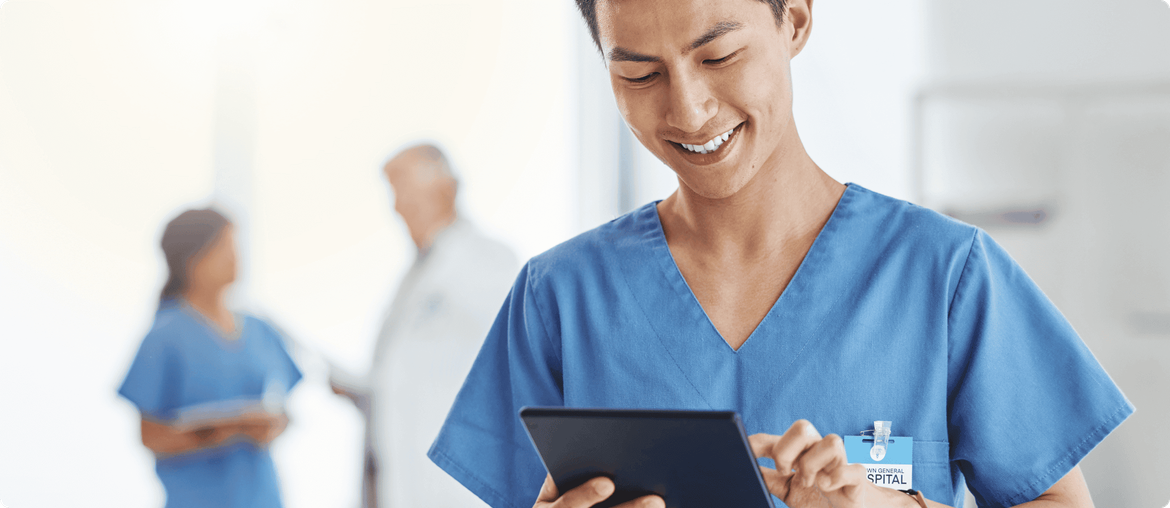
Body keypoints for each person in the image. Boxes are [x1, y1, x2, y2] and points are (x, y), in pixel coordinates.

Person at [427, 1, 1133, 508]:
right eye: (640, 75)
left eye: (719, 55)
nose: (689, 109)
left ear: (794, 19)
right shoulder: (559, 298)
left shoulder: (946, 276)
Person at [330, 143, 519, 508]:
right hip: (396, 469)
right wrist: (365, 389)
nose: (396, 205)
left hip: (452, 481)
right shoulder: (415, 275)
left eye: (403, 190)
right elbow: (406, 376)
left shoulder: (486, 259)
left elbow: (499, 361)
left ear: (446, 186)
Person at [118, 208, 302, 508]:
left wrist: (271, 425)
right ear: (192, 258)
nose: (235, 258)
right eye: (223, 247)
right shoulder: (164, 337)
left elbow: (286, 408)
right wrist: (230, 429)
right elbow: (151, 436)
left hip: (263, 497)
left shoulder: (259, 328)